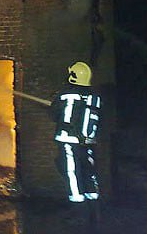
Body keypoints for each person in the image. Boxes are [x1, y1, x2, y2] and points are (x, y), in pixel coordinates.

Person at [50, 61, 102, 225]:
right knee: (88, 173)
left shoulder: (65, 94)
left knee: (72, 174)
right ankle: (94, 210)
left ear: (73, 76)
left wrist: (55, 103)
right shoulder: (94, 97)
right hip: (88, 143)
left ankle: (78, 212)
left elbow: (54, 115)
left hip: (69, 142)